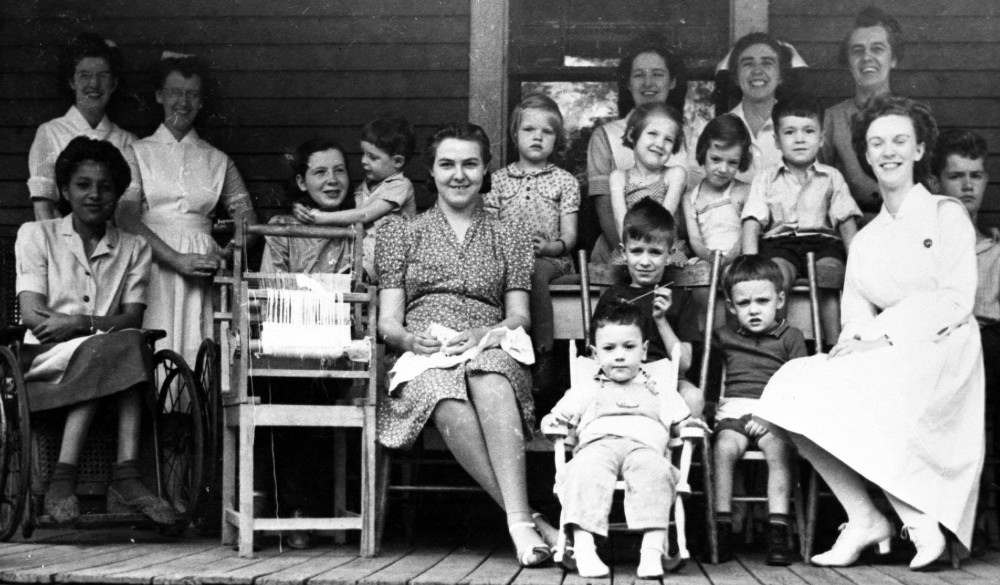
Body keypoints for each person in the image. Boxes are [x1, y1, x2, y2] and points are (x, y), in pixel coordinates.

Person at [755, 96, 984, 570]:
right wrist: (855, 344)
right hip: (885, 351)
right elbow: (857, 310)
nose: (888, 151)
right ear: (866, 154)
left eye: (900, 140)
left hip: (942, 350)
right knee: (793, 388)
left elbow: (957, 300)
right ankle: (863, 517)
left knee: (871, 387)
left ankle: (917, 519)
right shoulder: (869, 236)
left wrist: (889, 339)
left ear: (920, 150)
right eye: (877, 143)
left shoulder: (945, 214)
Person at [375, 122, 555, 566]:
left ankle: (518, 523)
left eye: (470, 164)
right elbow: (388, 322)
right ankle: (527, 523)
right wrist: (409, 341)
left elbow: (519, 316)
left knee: (491, 377)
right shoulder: (402, 232)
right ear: (431, 172)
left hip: (490, 340)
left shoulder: (508, 232)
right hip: (425, 350)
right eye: (448, 164)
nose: (459, 175)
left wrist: (483, 335)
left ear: (485, 169)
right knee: (444, 393)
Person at [15, 136, 174, 525]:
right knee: (114, 345)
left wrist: (80, 324)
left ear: (118, 194)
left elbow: (132, 318)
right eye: (83, 185)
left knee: (126, 342)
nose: (94, 194)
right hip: (45, 362)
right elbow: (32, 314)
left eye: (105, 187)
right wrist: (92, 330)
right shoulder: (37, 235)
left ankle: (80, 478)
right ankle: (117, 477)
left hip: (107, 354)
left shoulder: (135, 247)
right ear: (66, 191)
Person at [541, 301, 707, 579]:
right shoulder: (587, 387)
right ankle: (584, 548)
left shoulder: (659, 389)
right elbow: (554, 417)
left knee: (657, 473)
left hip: (645, 450)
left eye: (629, 347)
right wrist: (552, 423)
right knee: (583, 471)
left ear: (643, 350)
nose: (619, 356)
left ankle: (652, 552)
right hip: (597, 446)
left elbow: (681, 421)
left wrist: (690, 424)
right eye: (609, 349)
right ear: (595, 354)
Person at [118, 53, 257, 367]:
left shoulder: (218, 160)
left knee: (198, 348)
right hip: (152, 260)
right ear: (159, 96)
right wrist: (175, 259)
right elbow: (125, 216)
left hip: (201, 267)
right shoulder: (137, 152)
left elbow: (248, 221)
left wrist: (222, 254)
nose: (183, 102)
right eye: (175, 93)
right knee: (154, 346)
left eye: (192, 94)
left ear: (201, 101)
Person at [711, 255, 807, 566]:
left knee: (779, 450)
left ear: (780, 300)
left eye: (762, 301)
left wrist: (770, 416)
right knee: (723, 449)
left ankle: (777, 531)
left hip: (773, 415)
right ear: (730, 306)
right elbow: (711, 383)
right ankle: (721, 528)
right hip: (734, 411)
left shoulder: (791, 338)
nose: (753, 310)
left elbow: (798, 386)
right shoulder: (724, 337)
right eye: (744, 303)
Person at [484, 94, 579, 392]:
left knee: (533, 271)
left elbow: (570, 238)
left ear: (556, 138)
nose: (537, 137)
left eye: (547, 131)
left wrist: (550, 247)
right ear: (515, 135)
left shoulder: (565, 181)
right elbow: (489, 227)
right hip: (507, 260)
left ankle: (543, 354)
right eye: (528, 129)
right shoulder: (497, 181)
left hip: (550, 261)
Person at [593, 199, 704, 417]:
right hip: (619, 376)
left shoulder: (679, 299)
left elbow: (685, 364)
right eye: (637, 251)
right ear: (624, 253)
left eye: (654, 252)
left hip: (667, 379)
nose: (645, 261)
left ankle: (683, 451)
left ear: (669, 255)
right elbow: (596, 356)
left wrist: (661, 320)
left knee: (694, 397)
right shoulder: (613, 297)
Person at [741, 97, 861, 294]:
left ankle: (834, 327)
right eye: (789, 132)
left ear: (821, 138)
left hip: (823, 244)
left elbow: (846, 221)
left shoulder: (832, 177)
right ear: (777, 141)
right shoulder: (765, 178)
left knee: (829, 274)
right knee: (776, 275)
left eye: (809, 131)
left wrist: (858, 262)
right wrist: (749, 262)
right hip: (780, 245)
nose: (799, 139)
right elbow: (752, 221)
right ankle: (780, 325)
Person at [587, 35, 688, 262]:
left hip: (672, 252)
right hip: (622, 252)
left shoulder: (690, 132)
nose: (648, 83)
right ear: (628, 82)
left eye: (658, 74)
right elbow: (606, 211)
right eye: (639, 75)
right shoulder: (606, 135)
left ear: (672, 81)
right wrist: (637, 257)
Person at [292, 116, 417, 282]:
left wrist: (319, 218)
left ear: (397, 162)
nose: (364, 161)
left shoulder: (401, 185)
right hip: (361, 256)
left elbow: (364, 215)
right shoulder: (366, 187)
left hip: (391, 258)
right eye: (363, 154)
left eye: (372, 157)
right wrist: (298, 208)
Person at [28, 33, 136, 221]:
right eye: (84, 75)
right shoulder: (50, 133)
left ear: (114, 83)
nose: (94, 84)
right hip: (63, 243)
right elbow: (43, 208)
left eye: (103, 75)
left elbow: (128, 213)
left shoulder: (128, 141)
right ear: (71, 82)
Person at [929, 129, 998, 396]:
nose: (968, 186)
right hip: (944, 349)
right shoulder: (928, 247)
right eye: (956, 176)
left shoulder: (996, 250)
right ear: (935, 183)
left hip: (989, 354)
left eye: (976, 175)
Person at [820, 7, 903, 216]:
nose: (867, 57)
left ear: (893, 59)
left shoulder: (912, 116)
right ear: (848, 62)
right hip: (850, 229)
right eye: (857, 51)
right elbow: (820, 185)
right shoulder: (832, 119)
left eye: (877, 49)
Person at [260, 137, 354, 275]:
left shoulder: (356, 224)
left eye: (339, 170)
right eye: (320, 172)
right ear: (302, 182)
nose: (333, 180)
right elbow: (271, 285)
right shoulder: (282, 228)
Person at [609, 102, 687, 262]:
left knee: (682, 271)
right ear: (632, 135)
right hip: (632, 248)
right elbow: (621, 223)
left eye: (668, 140)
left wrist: (652, 254)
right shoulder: (618, 177)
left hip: (666, 249)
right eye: (652, 133)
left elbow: (663, 219)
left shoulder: (674, 174)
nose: (660, 144)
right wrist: (636, 253)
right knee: (611, 273)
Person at [723, 33, 796, 183]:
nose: (757, 70)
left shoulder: (797, 129)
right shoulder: (720, 128)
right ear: (736, 77)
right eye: (748, 63)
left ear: (781, 75)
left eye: (767, 63)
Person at [682, 114, 752, 264]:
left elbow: (747, 235)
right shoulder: (690, 198)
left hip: (738, 259)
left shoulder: (744, 191)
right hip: (707, 260)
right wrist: (710, 258)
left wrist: (728, 259)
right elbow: (695, 238)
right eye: (716, 159)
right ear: (703, 151)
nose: (723, 169)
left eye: (732, 162)